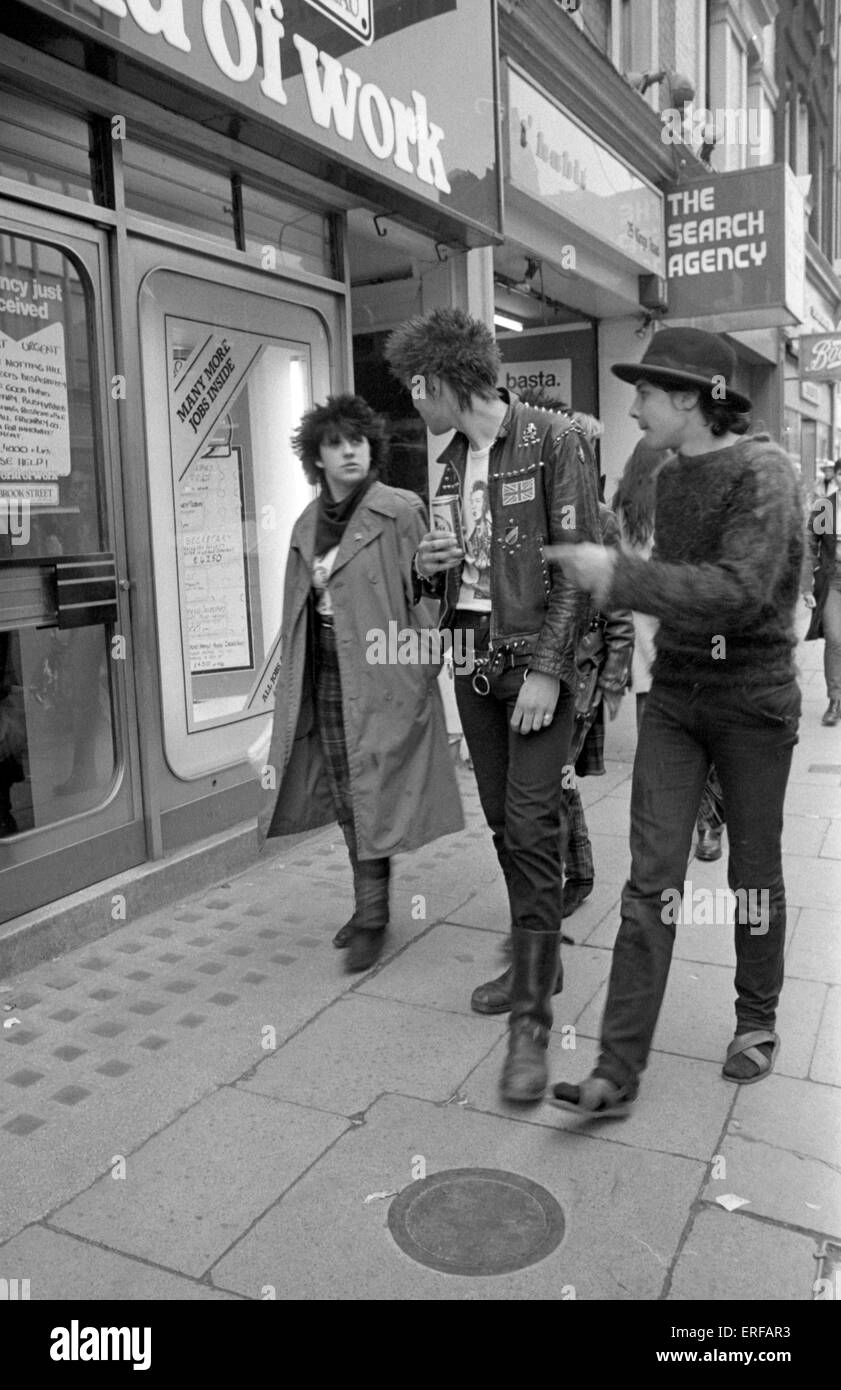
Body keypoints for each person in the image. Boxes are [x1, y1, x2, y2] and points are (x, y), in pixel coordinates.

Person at [544, 327, 804, 1117]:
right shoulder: (656, 463)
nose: (631, 407)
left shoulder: (765, 471)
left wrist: (620, 576)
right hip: (677, 700)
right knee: (650, 881)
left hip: (753, 699)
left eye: (646, 394)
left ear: (689, 398)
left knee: (750, 874)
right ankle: (615, 1073)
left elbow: (741, 588)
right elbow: (627, 531)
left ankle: (754, 1021)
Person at [384, 307, 600, 1102]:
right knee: (508, 823)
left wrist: (548, 670)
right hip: (472, 658)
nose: (412, 402)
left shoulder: (549, 439)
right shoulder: (446, 466)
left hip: (533, 660)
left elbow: (579, 568)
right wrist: (431, 564)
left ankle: (532, 1026)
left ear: (442, 380)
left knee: (534, 820)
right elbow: (443, 583)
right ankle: (535, 950)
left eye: (415, 386)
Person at [257, 394, 463, 973]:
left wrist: (420, 667)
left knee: (374, 795)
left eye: (358, 441)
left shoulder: (398, 510)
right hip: (324, 674)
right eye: (335, 443)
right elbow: (297, 608)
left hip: (383, 676)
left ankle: (374, 917)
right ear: (316, 457)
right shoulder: (306, 523)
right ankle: (367, 905)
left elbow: (430, 597)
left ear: (372, 450)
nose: (349, 451)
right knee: (349, 797)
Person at [613, 439, 727, 862]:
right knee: (706, 737)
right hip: (687, 638)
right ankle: (708, 828)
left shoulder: (623, 509)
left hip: (645, 647)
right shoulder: (684, 501)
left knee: (657, 748)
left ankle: (665, 829)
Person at [804, 458, 841, 726]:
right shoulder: (826, 506)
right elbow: (809, 543)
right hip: (834, 580)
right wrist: (810, 578)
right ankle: (835, 699)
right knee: (835, 637)